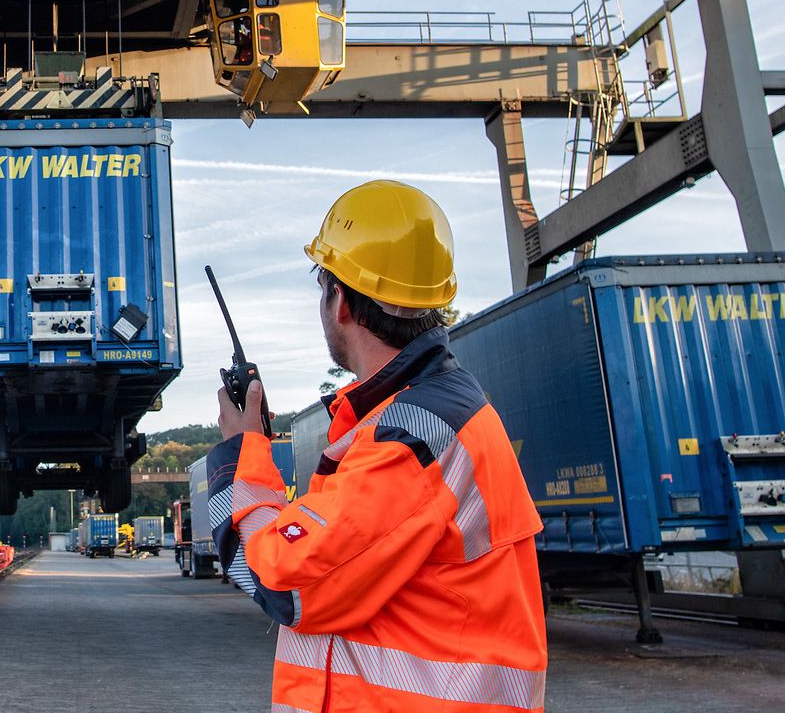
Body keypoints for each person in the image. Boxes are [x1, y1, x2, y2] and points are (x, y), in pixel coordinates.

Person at [206, 180, 547, 712]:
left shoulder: (411, 437)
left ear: (339, 300)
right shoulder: (424, 415)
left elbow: (285, 582)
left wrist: (242, 453)